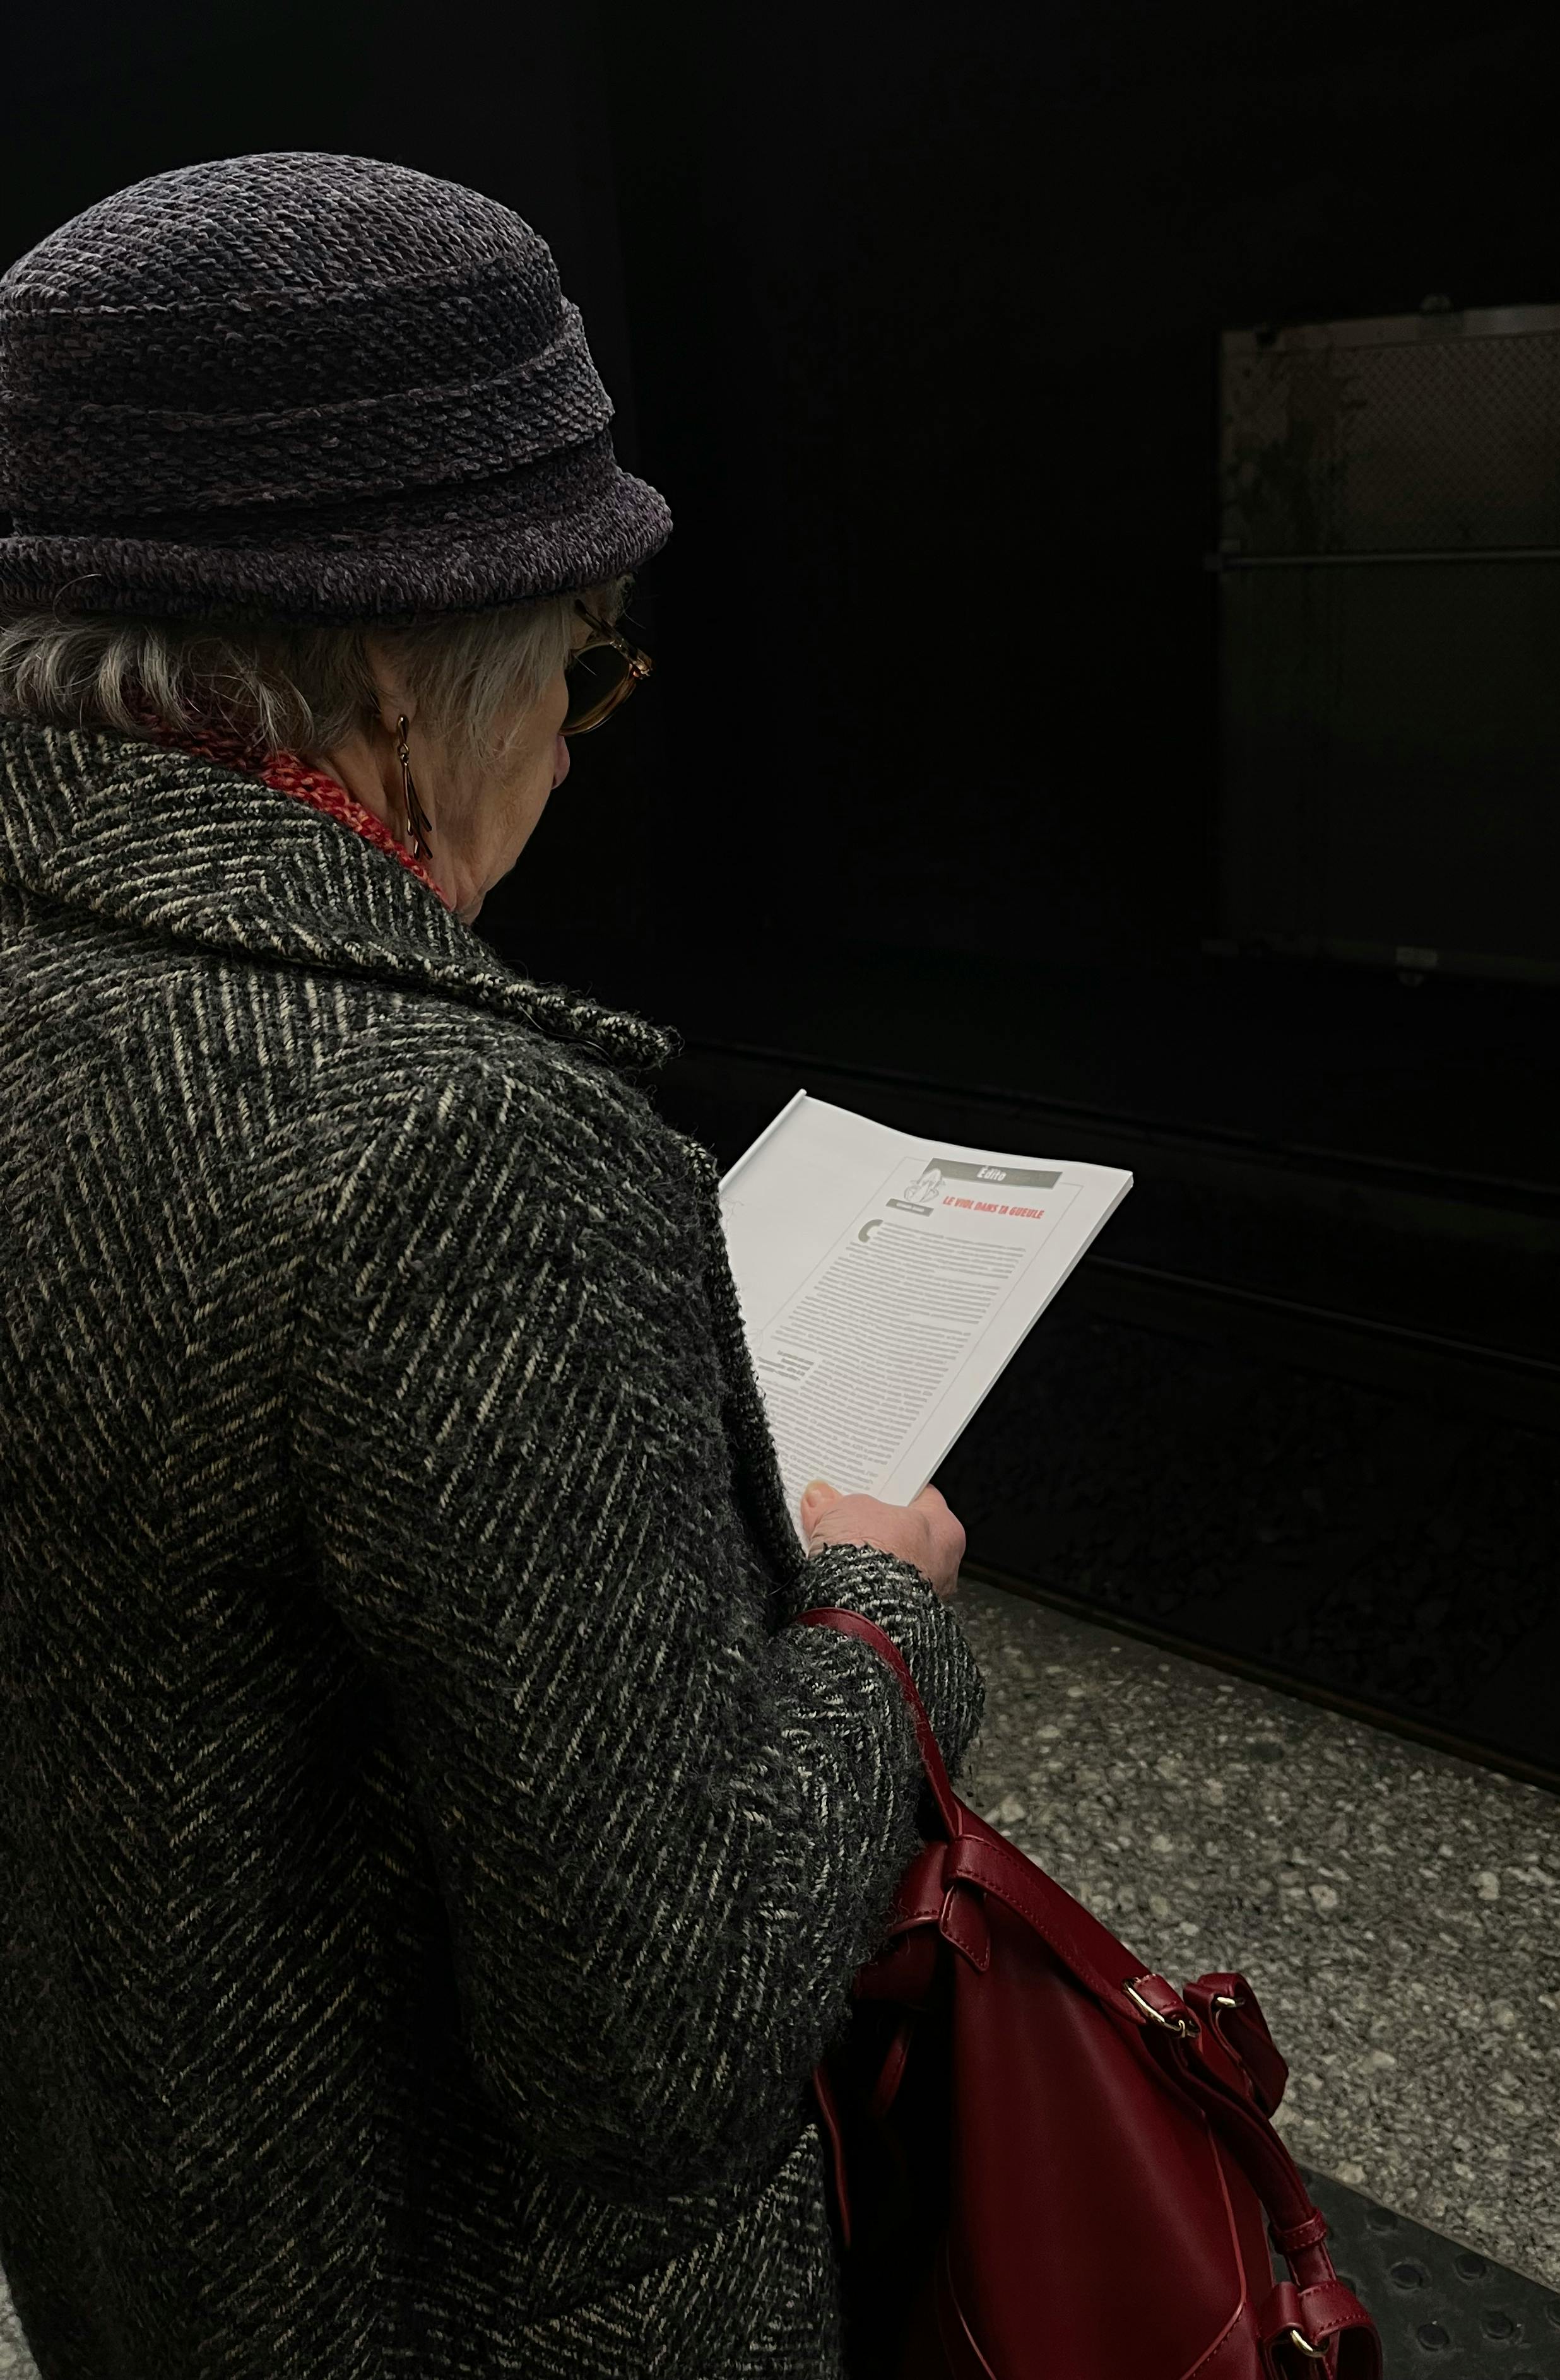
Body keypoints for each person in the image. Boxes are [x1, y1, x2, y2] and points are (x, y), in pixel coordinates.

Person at [0, 152, 981, 2380]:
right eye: (579, 664)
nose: (572, 729)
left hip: (142, 2257)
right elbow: (665, 2033)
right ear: (388, 664)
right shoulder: (453, 1148)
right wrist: (883, 1613)